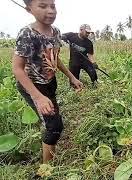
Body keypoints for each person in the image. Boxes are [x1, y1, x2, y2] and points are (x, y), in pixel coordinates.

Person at [12, 0, 83, 163]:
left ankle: (47, 142)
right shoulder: (27, 33)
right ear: (29, 9)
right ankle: (46, 169)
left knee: (51, 121)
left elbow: (54, 58)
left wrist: (71, 77)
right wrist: (38, 97)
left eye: (52, 6)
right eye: (43, 6)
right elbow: (17, 69)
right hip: (33, 86)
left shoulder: (56, 32)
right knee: (55, 127)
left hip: (50, 84)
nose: (50, 11)